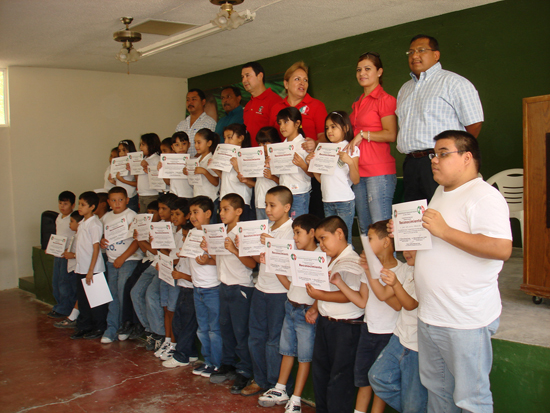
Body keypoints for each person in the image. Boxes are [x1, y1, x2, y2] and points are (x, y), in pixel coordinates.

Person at [394, 130, 512, 412]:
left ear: (467, 157)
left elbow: (500, 248)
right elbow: (439, 242)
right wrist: (413, 248)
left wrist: (445, 231)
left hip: (464, 319)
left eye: (443, 153)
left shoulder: (485, 196)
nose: (434, 160)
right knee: (438, 392)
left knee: (472, 400)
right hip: (432, 315)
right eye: (434, 154)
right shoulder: (439, 192)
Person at [396, 35, 484, 202]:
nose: (415, 55)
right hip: (411, 163)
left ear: (436, 55)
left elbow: (475, 124)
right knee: (415, 221)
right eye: (411, 52)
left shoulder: (454, 82)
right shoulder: (405, 89)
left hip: (442, 160)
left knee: (445, 212)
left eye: (421, 50)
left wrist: (453, 154)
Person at [336, 220, 407, 413]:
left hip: (388, 334)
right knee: (363, 380)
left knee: (380, 382)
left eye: (371, 239)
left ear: (386, 242)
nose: (366, 243)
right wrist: (340, 283)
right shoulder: (367, 269)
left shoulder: (401, 271)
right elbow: (362, 301)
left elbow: (393, 302)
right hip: (367, 330)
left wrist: (370, 272)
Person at [258, 214, 320, 413]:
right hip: (290, 306)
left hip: (305, 312)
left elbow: (322, 289)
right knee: (286, 350)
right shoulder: (296, 255)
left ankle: (296, 398)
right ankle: (280, 389)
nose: (295, 238)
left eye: (298, 233)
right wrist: (273, 266)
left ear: (312, 233)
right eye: (294, 233)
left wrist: (314, 308)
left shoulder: (319, 257)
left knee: (304, 356)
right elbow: (289, 285)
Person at [304, 216, 364, 413]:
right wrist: (315, 306)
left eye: (323, 238)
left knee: (340, 379)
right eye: (319, 240)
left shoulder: (352, 261)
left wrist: (319, 295)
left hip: (346, 328)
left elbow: (349, 295)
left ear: (339, 234)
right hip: (326, 323)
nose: (320, 244)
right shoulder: (331, 260)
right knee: (321, 374)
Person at [202, 194, 256, 392]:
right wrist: (209, 250)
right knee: (226, 329)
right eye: (221, 209)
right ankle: (229, 364)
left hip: (240, 287)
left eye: (226, 209)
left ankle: (244, 370)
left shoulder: (243, 233)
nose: (221, 213)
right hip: (224, 286)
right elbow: (219, 260)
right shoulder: (221, 231)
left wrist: (234, 249)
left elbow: (252, 264)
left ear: (238, 211)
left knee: (242, 333)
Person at [244, 186, 294, 397]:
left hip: (279, 292)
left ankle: (276, 384)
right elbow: (259, 261)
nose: (268, 209)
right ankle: (260, 379)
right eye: (266, 204)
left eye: (273, 205)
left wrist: (272, 244)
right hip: (260, 288)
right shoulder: (267, 229)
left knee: (274, 340)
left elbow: (289, 260)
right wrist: (246, 246)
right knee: (255, 337)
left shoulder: (292, 231)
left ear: (287, 207)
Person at [368, 250, 428, 413]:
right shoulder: (406, 270)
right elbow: (383, 295)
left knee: (413, 404)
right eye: (404, 247)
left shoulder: (428, 273)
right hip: (400, 337)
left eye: (412, 248)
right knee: (377, 377)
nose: (406, 252)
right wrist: (368, 270)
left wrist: (395, 285)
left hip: (417, 345)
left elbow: (410, 304)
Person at [269, 61, 328, 218]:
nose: (302, 83)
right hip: (284, 175)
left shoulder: (317, 105)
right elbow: (272, 139)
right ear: (286, 83)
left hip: (310, 172)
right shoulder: (276, 108)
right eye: (297, 79)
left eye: (305, 80)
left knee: (310, 218)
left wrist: (315, 144)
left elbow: (325, 137)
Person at [347, 52, 397, 236]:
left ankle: (386, 265)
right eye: (359, 69)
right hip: (358, 171)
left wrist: (363, 134)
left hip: (379, 171)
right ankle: (370, 264)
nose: (362, 73)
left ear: (380, 72)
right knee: (365, 228)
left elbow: (391, 134)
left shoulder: (385, 99)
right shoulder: (357, 103)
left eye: (368, 69)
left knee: (380, 228)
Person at [306, 111, 359, 244]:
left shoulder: (351, 148)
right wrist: (311, 163)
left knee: (345, 241)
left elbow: (356, 179)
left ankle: (347, 264)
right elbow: (321, 179)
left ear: (346, 128)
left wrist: (350, 162)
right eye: (327, 127)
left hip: (344, 202)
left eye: (333, 126)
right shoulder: (323, 149)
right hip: (327, 200)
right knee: (331, 240)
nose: (329, 131)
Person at [100, 187, 142, 343]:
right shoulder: (106, 217)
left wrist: (123, 257)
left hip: (128, 260)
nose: (117, 203)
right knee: (113, 296)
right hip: (111, 261)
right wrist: (102, 241)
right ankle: (111, 328)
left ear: (127, 200)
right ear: (108, 202)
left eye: (120, 200)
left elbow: (137, 241)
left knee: (123, 293)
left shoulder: (132, 216)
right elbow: (104, 237)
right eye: (113, 200)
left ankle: (125, 326)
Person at [187, 196, 222, 378]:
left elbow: (222, 260)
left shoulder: (215, 233)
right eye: (191, 213)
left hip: (213, 288)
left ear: (208, 214)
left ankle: (217, 365)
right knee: (202, 329)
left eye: (196, 212)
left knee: (214, 330)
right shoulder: (192, 233)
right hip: (197, 287)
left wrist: (208, 257)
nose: (192, 216)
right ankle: (208, 361)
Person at [161, 221, 199, 368]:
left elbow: (196, 278)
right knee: (178, 323)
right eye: (182, 236)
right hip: (183, 289)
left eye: (186, 236)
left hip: (190, 290)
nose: (183, 239)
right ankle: (191, 353)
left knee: (186, 325)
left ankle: (181, 356)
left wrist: (182, 275)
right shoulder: (184, 251)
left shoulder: (195, 253)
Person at [154, 198, 188, 360]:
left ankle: (174, 344)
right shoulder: (172, 231)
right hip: (167, 273)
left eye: (178, 214)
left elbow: (182, 258)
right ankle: (167, 340)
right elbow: (169, 253)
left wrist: (168, 261)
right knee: (166, 308)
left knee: (173, 310)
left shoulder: (186, 234)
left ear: (186, 216)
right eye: (172, 214)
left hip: (176, 274)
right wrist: (160, 247)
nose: (174, 217)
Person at [71, 191, 107, 340]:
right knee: (84, 300)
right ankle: (85, 326)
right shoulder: (82, 223)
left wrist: (91, 270)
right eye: (79, 204)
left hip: (93, 269)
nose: (80, 207)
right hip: (81, 267)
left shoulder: (95, 224)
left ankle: (99, 327)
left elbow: (96, 247)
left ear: (92, 207)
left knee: (97, 301)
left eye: (83, 205)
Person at [276, 107, 312, 219]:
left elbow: (312, 174)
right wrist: (271, 165)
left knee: (298, 226)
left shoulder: (305, 145)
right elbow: (279, 173)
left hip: (299, 193)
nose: (282, 127)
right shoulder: (280, 146)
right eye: (280, 123)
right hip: (283, 193)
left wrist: (302, 164)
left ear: (297, 124)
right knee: (285, 227)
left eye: (286, 122)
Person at [239, 126, 280, 221]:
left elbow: (284, 183)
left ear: (274, 143)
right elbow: (259, 184)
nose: (261, 147)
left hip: (273, 204)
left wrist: (272, 177)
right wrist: (246, 181)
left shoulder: (278, 159)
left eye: (265, 143)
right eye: (259, 143)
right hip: (259, 202)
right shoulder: (258, 161)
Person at [214, 124, 254, 221]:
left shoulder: (248, 156)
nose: (226, 142)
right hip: (224, 199)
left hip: (240, 202)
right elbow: (226, 179)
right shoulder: (225, 155)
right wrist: (215, 169)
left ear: (240, 138)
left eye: (230, 138)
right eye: (225, 138)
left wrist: (237, 168)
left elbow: (250, 184)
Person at [48, 190, 77, 319]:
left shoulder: (74, 219)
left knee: (64, 282)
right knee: (56, 281)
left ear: (72, 205)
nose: (62, 206)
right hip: (57, 254)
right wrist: (51, 247)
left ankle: (65, 308)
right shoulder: (59, 217)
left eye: (65, 204)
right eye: (60, 203)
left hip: (67, 256)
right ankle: (59, 305)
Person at [53, 210, 84, 329]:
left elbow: (89, 252)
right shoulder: (75, 235)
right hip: (74, 268)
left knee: (79, 293)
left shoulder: (82, 235)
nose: (69, 224)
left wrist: (73, 255)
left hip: (81, 269)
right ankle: (74, 316)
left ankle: (76, 317)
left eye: (71, 221)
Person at [241, 62, 283, 147]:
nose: (244, 80)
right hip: (252, 156)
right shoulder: (248, 105)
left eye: (247, 75)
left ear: (260, 76)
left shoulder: (275, 100)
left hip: (270, 156)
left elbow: (281, 133)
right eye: (242, 77)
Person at [186, 129, 220, 220]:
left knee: (210, 228)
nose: (196, 145)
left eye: (199, 142)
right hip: (197, 199)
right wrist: (188, 173)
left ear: (209, 143)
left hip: (210, 201)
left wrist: (205, 172)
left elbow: (216, 182)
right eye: (195, 142)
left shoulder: (212, 159)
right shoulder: (196, 160)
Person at [175, 89, 217, 157]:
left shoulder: (209, 122)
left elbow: (208, 148)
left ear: (203, 102)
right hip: (182, 164)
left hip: (201, 164)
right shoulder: (181, 124)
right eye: (188, 100)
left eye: (193, 99)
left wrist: (193, 161)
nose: (190, 102)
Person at [162, 132, 194, 199]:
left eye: (184, 144)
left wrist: (189, 173)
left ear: (189, 144)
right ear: (172, 147)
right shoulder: (169, 162)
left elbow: (195, 182)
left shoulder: (193, 161)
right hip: (173, 195)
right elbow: (168, 182)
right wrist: (162, 169)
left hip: (188, 195)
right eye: (177, 145)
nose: (181, 147)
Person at [137, 133, 162, 213]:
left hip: (151, 194)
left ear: (152, 145)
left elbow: (158, 177)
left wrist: (148, 168)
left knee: (151, 218)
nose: (141, 147)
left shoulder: (156, 159)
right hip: (141, 194)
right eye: (140, 144)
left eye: (143, 144)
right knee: (143, 216)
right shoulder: (143, 159)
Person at [115, 140, 139, 213]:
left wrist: (123, 180)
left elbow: (137, 183)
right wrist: (113, 181)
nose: (121, 153)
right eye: (119, 151)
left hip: (130, 197)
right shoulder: (117, 164)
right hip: (119, 198)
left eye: (124, 150)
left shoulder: (134, 164)